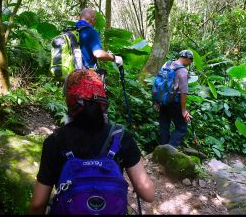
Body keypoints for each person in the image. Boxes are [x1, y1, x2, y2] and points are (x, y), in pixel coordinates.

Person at [29, 69, 155, 215]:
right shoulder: (120, 137)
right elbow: (148, 194)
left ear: (69, 101)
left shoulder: (55, 141)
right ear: (102, 101)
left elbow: (38, 204)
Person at [155, 50, 193, 148]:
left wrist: (157, 100)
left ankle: (162, 149)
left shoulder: (167, 64)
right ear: (188, 59)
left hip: (163, 100)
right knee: (181, 128)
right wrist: (184, 110)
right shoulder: (183, 71)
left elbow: (159, 82)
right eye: (190, 61)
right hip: (174, 102)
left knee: (164, 125)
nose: (190, 64)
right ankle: (169, 150)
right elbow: (183, 92)